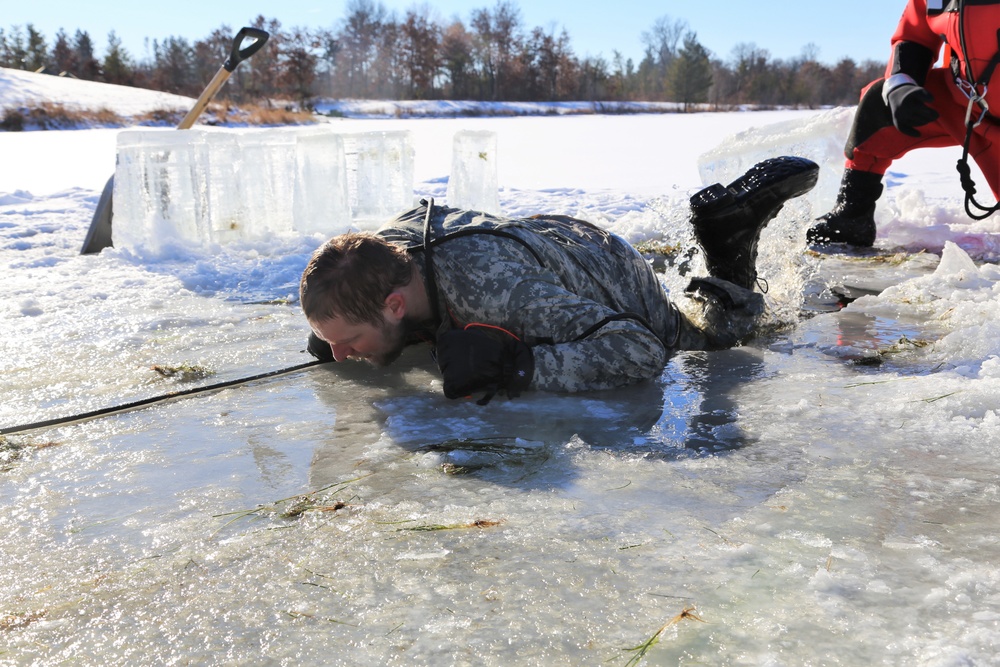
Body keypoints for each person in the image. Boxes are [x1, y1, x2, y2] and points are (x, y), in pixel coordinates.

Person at [300, 156, 818, 403]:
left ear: (393, 305)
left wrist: (520, 364)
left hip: (609, 269)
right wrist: (338, 335)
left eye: (350, 341)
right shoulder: (378, 257)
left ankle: (729, 243)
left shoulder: (496, 294)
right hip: (540, 241)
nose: (341, 354)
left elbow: (637, 351)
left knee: (707, 339)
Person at [809, 0, 1000, 248]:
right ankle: (851, 216)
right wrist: (902, 84)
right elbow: (915, 37)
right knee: (879, 103)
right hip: (967, 106)